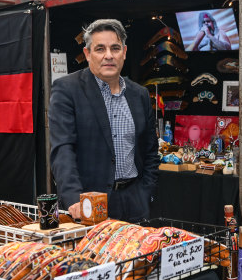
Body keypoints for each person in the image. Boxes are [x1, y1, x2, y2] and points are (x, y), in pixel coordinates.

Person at [49, 19, 159, 223]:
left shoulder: (140, 95)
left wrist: (145, 192)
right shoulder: (67, 90)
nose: (109, 55)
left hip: (134, 202)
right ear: (88, 54)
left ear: (124, 52)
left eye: (115, 48)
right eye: (100, 49)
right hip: (87, 205)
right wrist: (75, 200)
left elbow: (150, 150)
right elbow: (62, 150)